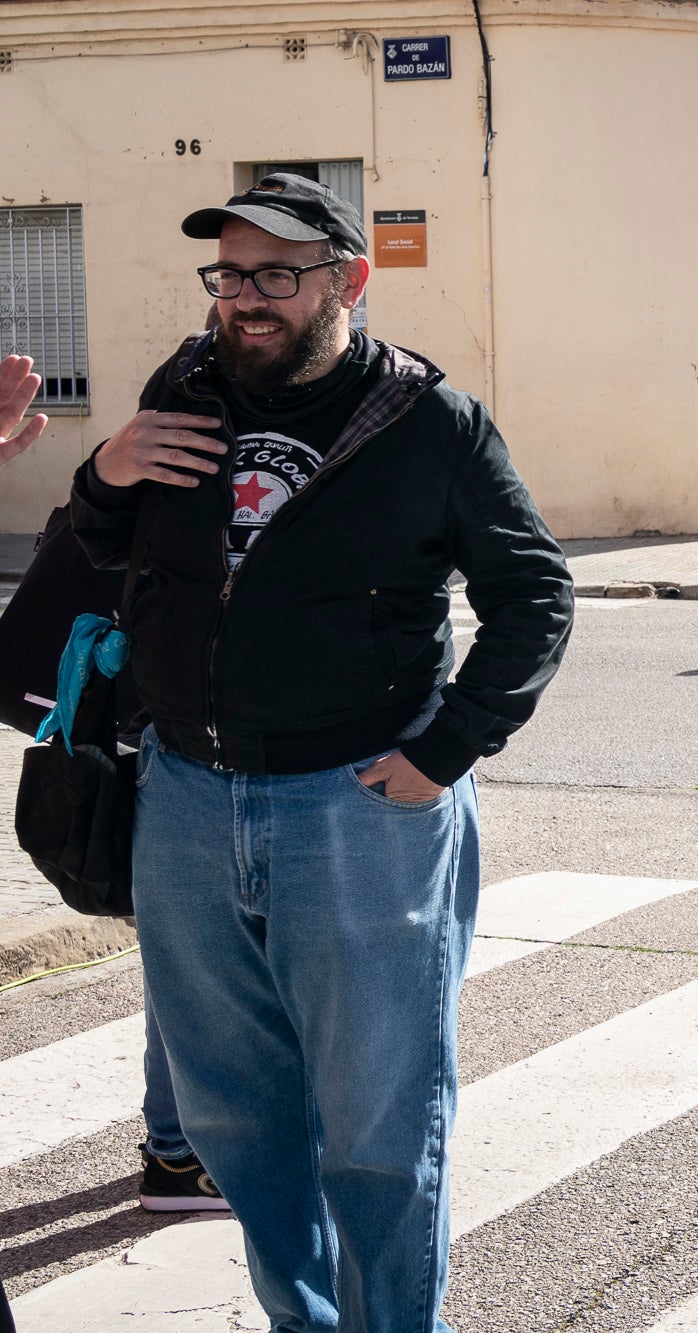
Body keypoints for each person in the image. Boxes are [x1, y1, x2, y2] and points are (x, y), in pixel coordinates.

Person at [66, 173, 574, 1331]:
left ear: (348, 281)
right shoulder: (183, 388)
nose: (247, 300)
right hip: (189, 801)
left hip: (359, 807)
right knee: (233, 1113)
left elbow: (534, 591)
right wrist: (107, 474)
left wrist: (446, 750)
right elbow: (108, 552)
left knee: (381, 1123)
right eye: (230, 274)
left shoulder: (426, 421)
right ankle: (309, 1318)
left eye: (277, 276)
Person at [0, 353, 228, 1215]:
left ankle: (181, 1147)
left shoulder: (168, 412)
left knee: (188, 955)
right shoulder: (199, 420)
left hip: (148, 744)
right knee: (204, 957)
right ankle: (182, 1149)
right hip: (169, 752)